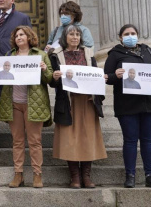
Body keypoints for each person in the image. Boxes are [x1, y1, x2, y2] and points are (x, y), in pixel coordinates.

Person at [104, 24, 151, 188]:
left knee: (148, 140)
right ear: (120, 37)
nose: (130, 36)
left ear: (137, 35)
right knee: (130, 140)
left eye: (133, 33)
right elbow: (107, 77)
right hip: (127, 105)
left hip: (150, 104)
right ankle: (130, 175)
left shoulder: (150, 52)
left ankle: (150, 175)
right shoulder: (115, 54)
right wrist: (115, 75)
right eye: (126, 34)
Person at [49, 25, 107, 189]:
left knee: (87, 137)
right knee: (69, 138)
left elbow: (95, 74)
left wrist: (100, 77)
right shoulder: (56, 55)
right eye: (71, 34)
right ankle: (75, 176)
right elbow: (52, 82)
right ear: (65, 37)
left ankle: (86, 176)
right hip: (68, 101)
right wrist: (54, 77)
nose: (75, 37)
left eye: (77, 34)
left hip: (87, 101)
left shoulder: (88, 54)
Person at [0, 26, 52, 188]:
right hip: (14, 103)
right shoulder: (9, 56)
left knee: (35, 141)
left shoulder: (40, 55)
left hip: (34, 104)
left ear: (29, 37)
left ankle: (37, 175)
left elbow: (49, 78)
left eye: (22, 34)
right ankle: (18, 174)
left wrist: (43, 69)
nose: (19, 37)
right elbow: (2, 78)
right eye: (16, 35)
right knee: (17, 141)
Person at [0, 0, 31, 148]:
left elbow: (29, 39)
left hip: (14, 66)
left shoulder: (22, 18)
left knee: (11, 98)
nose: (0, 0)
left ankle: (19, 134)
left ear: (12, 0)